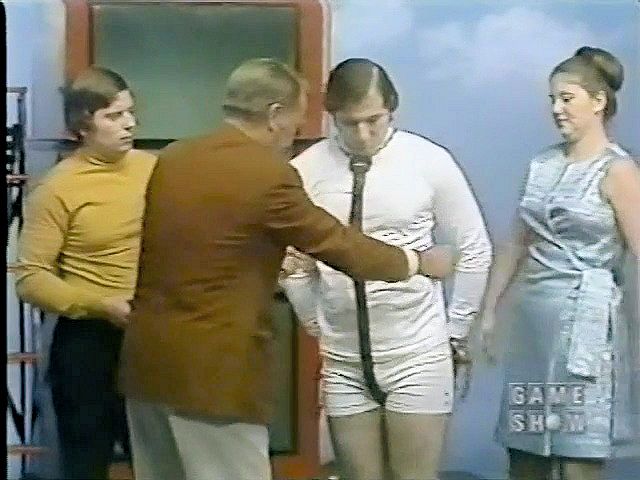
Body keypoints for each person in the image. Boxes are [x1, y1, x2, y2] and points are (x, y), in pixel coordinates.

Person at [118, 58, 454, 480]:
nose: (298, 129)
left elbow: (208, 248)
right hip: (213, 377)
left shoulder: (173, 158)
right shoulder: (267, 175)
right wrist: (418, 261)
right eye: (297, 117)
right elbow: (338, 244)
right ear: (275, 114)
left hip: (147, 369)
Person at [280, 58, 492, 480]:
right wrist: (314, 322)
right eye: (349, 123)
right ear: (331, 114)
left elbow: (474, 249)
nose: (362, 134)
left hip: (417, 353)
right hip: (343, 361)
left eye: (373, 121)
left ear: (391, 109)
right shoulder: (306, 170)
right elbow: (291, 264)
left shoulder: (428, 161)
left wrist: (455, 332)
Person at [481, 46, 640, 480]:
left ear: (598, 101)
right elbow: (517, 241)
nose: (556, 109)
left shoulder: (618, 171)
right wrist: (490, 309)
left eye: (567, 98)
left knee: (576, 455)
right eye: (552, 99)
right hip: (533, 324)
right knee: (524, 451)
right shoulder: (542, 164)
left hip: (586, 329)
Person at [14, 67, 157, 479]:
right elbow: (31, 278)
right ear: (82, 126)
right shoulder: (58, 188)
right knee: (86, 463)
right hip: (90, 342)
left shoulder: (154, 169)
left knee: (158, 460)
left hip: (152, 334)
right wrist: (100, 305)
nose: (129, 124)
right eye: (113, 116)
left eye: (130, 112)